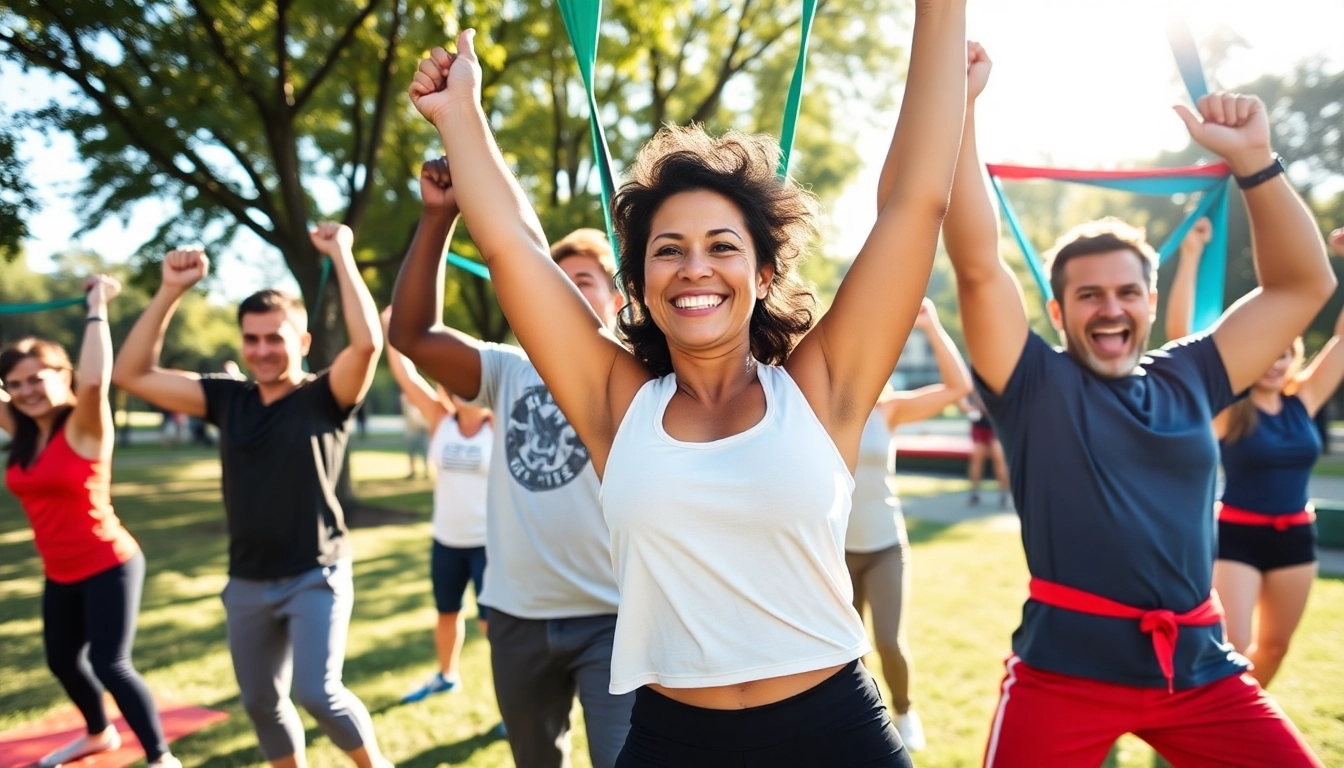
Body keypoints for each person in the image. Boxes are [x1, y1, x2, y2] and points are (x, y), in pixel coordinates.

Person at [406, 1, 964, 761]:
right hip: (673, 739)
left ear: (763, 272)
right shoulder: (616, 405)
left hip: (833, 732)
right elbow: (513, 248)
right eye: (667, 249)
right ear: (637, 282)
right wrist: (460, 116)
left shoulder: (822, 388)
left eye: (722, 246)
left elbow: (916, 201)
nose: (695, 267)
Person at [944, 42, 1330, 766]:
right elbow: (974, 261)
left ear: (1151, 304)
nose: (1109, 308)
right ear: (1057, 313)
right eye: (1088, 295)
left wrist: (1256, 161)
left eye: (1126, 292)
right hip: (1062, 676)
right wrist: (961, 110)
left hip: (1200, 672)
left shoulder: (1194, 374)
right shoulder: (1032, 384)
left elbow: (1301, 287)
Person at [111, 226, 392, 768]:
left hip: (316, 574)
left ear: (302, 342)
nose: (262, 350)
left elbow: (367, 344)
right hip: (247, 580)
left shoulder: (325, 396)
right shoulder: (226, 397)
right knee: (260, 701)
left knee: (318, 692)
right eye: (252, 339)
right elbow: (130, 373)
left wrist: (341, 254)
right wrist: (170, 290)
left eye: (275, 338)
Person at [387, 161, 633, 767]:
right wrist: (438, 216)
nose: (570, 295)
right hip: (516, 617)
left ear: (618, 299)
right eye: (558, 284)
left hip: (617, 620)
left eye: (584, 282)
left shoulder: (637, 376)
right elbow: (413, 335)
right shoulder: (508, 371)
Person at [1, 276, 180, 768]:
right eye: (14, 384)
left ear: (64, 374)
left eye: (37, 379)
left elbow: (98, 379)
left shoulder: (84, 424)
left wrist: (96, 306)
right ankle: (99, 734)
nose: (25, 391)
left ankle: (161, 758)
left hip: (108, 563)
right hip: (60, 572)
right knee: (62, 660)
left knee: (110, 663)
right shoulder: (20, 429)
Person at [1166, 223, 1344, 688]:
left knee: (1275, 648)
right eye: (1267, 350)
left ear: (1295, 356)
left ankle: (1238, 731)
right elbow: (1179, 335)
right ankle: (1210, 736)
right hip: (1236, 537)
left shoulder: (1303, 401)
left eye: (1285, 352)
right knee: (1235, 650)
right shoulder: (1228, 408)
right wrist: (1190, 255)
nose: (1274, 360)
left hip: (1296, 537)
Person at [848, 298, 972, 752]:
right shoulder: (820, 409)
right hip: (834, 553)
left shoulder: (890, 410)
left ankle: (904, 710)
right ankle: (862, 722)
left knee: (888, 641)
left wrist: (931, 326)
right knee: (847, 653)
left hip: (884, 547)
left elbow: (958, 388)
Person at [381, 308, 495, 704]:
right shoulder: (439, 418)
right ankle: (446, 675)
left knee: (490, 624)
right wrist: (390, 330)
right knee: (446, 613)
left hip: (488, 544)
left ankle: (512, 704)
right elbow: (406, 376)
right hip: (446, 540)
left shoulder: (497, 423)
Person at [960, 390, 1009, 507]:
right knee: (977, 458)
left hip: (995, 425)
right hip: (980, 425)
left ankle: (1004, 493)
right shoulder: (973, 384)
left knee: (998, 457)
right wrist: (975, 407)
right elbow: (964, 403)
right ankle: (974, 492)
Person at [402, 392, 430, 479]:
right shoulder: (406, 399)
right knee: (411, 454)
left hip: (422, 432)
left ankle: (426, 471)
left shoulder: (424, 400)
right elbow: (412, 418)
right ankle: (412, 471)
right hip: (412, 432)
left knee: (425, 453)